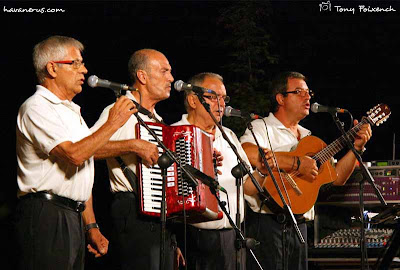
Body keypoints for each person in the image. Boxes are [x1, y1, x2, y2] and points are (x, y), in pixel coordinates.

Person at [15, 35, 136, 270]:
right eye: (76, 63)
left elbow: (81, 170)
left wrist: (91, 226)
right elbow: (75, 154)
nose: (85, 69)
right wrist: (113, 123)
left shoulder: (71, 112)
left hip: (72, 215)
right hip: (46, 215)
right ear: (52, 68)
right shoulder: (37, 107)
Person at [240, 71, 372, 270]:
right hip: (267, 225)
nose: (308, 96)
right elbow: (246, 153)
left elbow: (336, 178)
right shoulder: (261, 127)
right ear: (280, 98)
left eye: (308, 92)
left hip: (299, 227)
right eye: (299, 92)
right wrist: (296, 163)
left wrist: (357, 148)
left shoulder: (308, 138)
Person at [91, 48, 185, 270]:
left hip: (158, 219)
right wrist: (132, 145)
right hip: (131, 211)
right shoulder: (117, 110)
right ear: (142, 76)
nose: (171, 78)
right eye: (164, 71)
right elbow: (88, 149)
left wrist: (172, 240)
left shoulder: (157, 119)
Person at [172, 72, 266, 270]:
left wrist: (263, 171)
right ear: (192, 100)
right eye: (213, 97)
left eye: (223, 98)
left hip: (234, 236)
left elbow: (248, 187)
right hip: (195, 239)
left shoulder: (229, 135)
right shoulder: (175, 134)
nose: (220, 104)